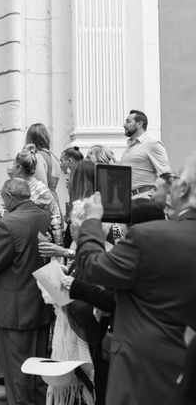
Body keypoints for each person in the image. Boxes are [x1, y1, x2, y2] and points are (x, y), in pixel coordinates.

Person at [75, 152, 196, 405]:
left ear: (183, 188)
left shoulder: (148, 236)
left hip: (144, 364)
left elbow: (92, 266)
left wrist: (91, 221)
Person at [0, 178, 51, 405]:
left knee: (17, 370)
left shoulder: (8, 223)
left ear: (9, 196)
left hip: (15, 306)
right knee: (38, 369)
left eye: (2, 198)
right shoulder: (43, 217)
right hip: (40, 301)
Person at [120, 109, 171, 198]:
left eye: (128, 122)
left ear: (139, 124)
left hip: (145, 197)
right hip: (129, 199)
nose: (124, 125)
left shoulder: (153, 143)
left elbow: (165, 174)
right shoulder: (130, 144)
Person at [25, 123, 62, 198]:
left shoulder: (38, 157)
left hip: (44, 204)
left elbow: (42, 190)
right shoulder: (53, 156)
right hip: (54, 200)